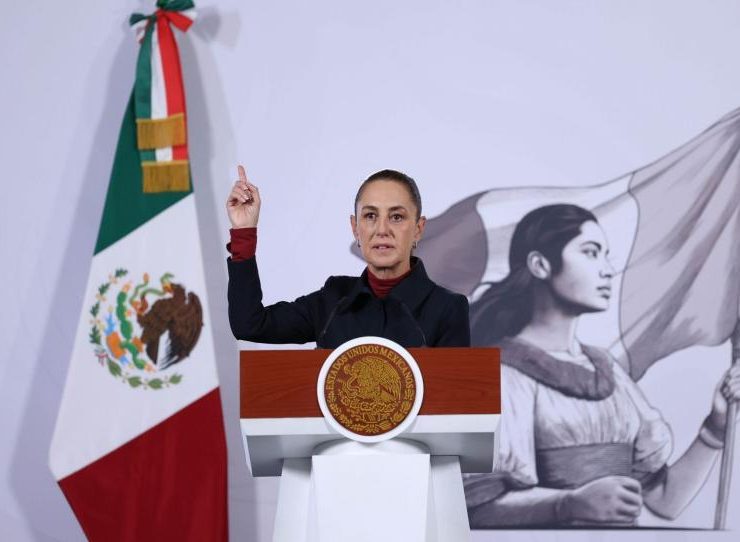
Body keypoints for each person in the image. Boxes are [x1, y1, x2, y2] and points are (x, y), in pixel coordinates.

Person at [464, 204, 740, 527]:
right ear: (540, 265)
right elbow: (474, 508)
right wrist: (567, 504)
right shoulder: (494, 373)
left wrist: (716, 427)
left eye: (606, 255)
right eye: (591, 253)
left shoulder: (607, 370)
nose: (608, 270)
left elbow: (665, 501)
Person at [225, 166, 470, 348]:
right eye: (370, 216)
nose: (382, 229)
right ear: (355, 228)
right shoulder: (333, 299)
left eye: (396, 217)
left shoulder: (447, 308)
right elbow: (249, 325)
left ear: (418, 228)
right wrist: (243, 231)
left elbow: (456, 397)